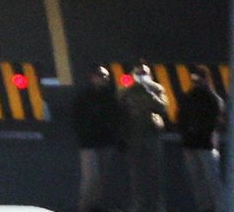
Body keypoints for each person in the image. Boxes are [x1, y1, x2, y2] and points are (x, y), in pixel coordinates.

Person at [118, 60, 168, 212]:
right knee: (136, 173)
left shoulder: (157, 88)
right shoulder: (126, 88)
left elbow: (163, 108)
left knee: (155, 173)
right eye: (139, 73)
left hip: (151, 133)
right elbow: (120, 106)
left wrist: (149, 92)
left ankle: (157, 205)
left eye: (145, 73)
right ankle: (137, 205)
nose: (142, 75)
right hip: (134, 135)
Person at [71, 64, 122, 212]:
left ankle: (97, 206)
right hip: (89, 142)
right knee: (91, 177)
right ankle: (85, 207)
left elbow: (116, 117)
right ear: (93, 77)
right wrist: (83, 134)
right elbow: (76, 118)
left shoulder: (111, 97)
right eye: (101, 76)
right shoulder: (84, 97)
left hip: (105, 141)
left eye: (106, 76)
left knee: (103, 177)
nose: (105, 79)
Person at [177, 65, 225, 212]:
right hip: (190, 145)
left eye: (199, 78)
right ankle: (204, 209)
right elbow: (180, 118)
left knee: (212, 181)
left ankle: (220, 209)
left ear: (205, 79)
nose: (196, 82)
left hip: (206, 145)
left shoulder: (212, 99)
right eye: (194, 79)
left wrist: (198, 130)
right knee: (198, 182)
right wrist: (186, 132)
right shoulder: (188, 97)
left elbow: (214, 121)